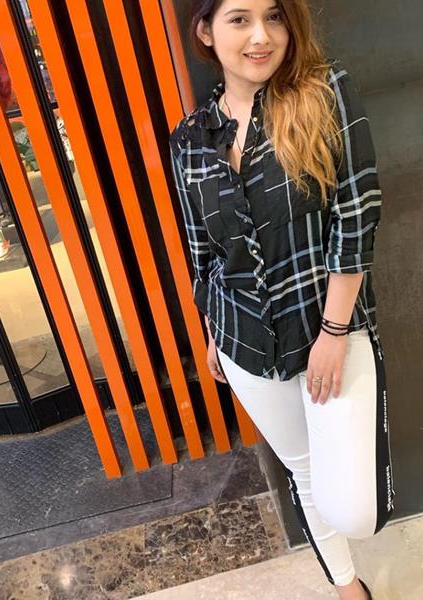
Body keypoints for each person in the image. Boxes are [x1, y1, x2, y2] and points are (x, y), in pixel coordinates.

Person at [169, 2, 395, 598]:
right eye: (239, 19)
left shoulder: (325, 92)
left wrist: (334, 333)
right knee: (303, 471)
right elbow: (203, 253)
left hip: (327, 326)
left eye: (273, 16)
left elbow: (357, 214)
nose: (261, 36)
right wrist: (214, 334)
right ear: (206, 30)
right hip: (243, 338)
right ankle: (348, 587)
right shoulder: (189, 141)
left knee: (358, 510)